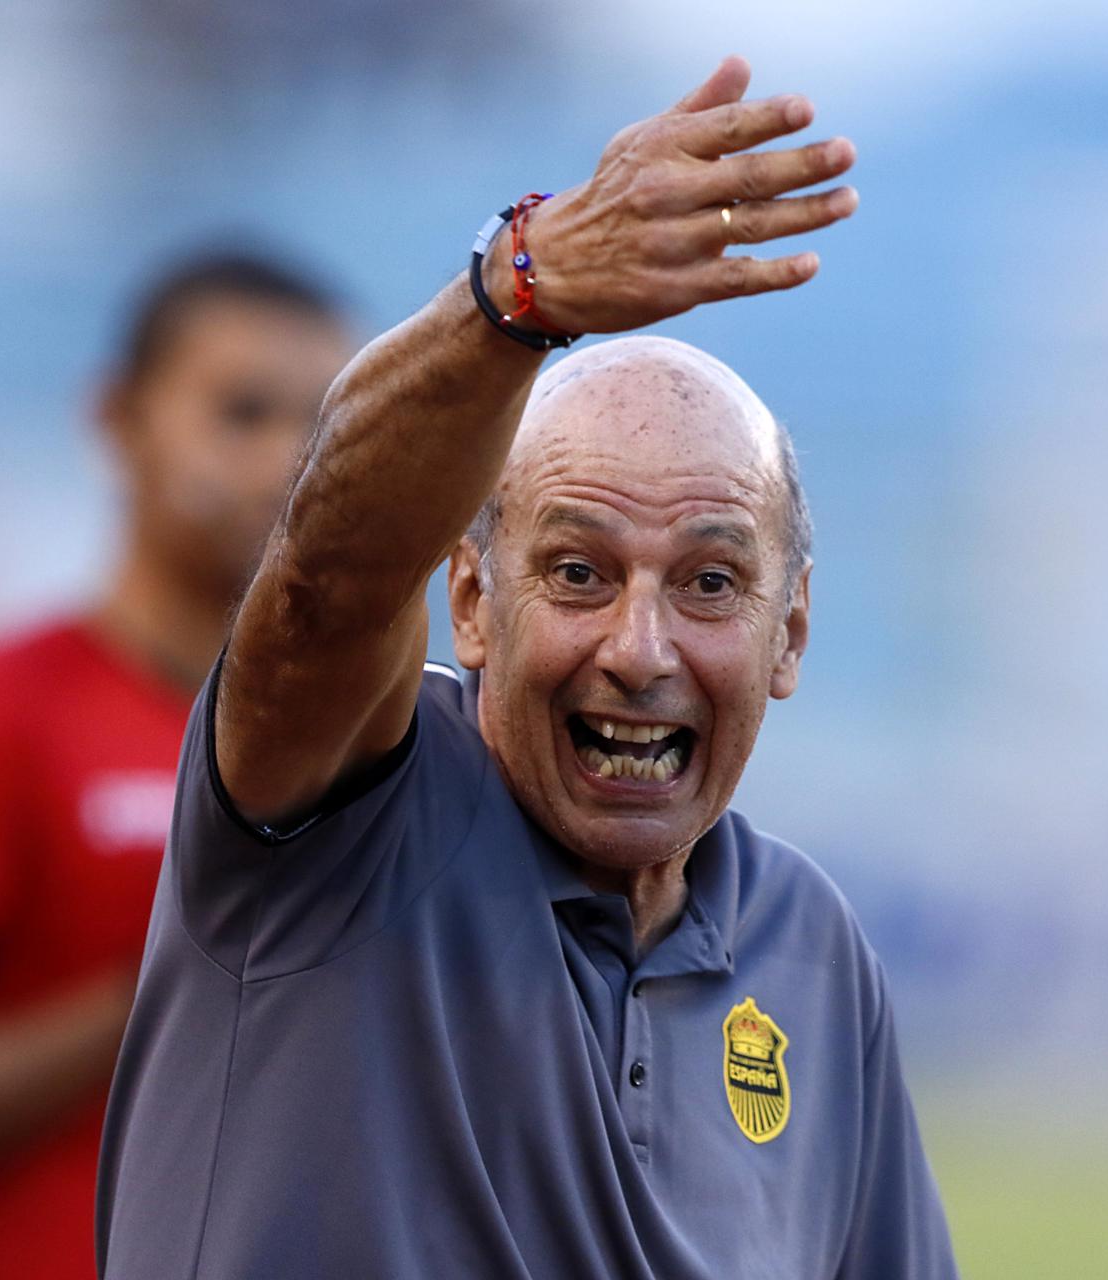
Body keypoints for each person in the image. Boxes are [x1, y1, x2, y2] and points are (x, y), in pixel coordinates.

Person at [98, 57, 955, 1279]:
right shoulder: (344, 817)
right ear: (469, 602)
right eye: (577, 571)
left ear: (792, 635)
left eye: (710, 582)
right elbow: (330, 580)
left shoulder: (810, 951)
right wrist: (520, 291)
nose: (640, 650)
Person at [0, 250, 355, 1280]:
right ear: (118, 419)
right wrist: (166, 988)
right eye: (242, 412)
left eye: (322, 426)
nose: (284, 464)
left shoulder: (373, 743)